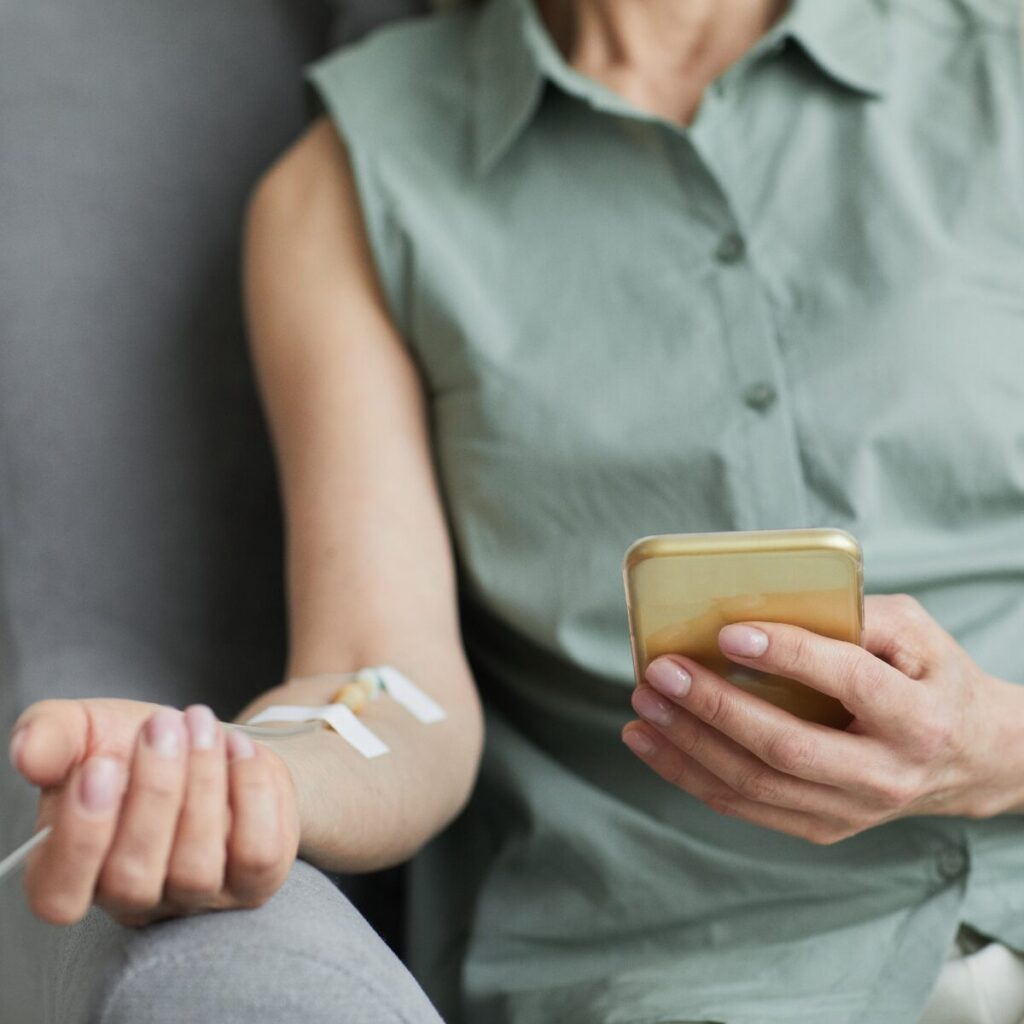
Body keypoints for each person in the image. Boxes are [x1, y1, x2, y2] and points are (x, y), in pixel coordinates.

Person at [9, 0, 1024, 1020]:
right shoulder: (348, 184)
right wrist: (244, 774)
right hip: (683, 980)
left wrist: (993, 746)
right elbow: (380, 681)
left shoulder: (1000, 67)